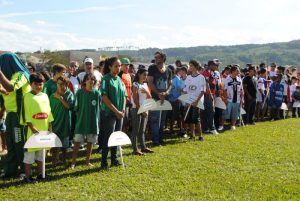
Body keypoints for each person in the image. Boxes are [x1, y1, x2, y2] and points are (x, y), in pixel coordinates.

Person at [0, 52, 31, 178]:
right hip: (10, 115)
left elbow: (10, 88)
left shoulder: (21, 75)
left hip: (20, 116)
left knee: (19, 143)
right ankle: (10, 170)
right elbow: (4, 93)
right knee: (11, 143)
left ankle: (25, 170)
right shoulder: (6, 77)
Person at [20, 73, 53, 182]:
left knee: (41, 154)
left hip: (43, 131)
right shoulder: (27, 97)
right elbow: (26, 115)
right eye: (36, 84)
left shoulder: (45, 96)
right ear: (31, 84)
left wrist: (49, 126)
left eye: (41, 84)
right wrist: (32, 127)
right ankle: (27, 177)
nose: (39, 86)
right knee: (29, 156)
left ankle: (41, 174)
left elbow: (48, 112)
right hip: (31, 132)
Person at [100, 57, 127, 170]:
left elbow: (125, 96)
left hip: (119, 114)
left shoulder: (120, 80)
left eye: (119, 66)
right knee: (108, 138)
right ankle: (104, 162)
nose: (118, 68)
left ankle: (114, 160)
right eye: (116, 66)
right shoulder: (105, 79)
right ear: (110, 66)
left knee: (116, 137)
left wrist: (123, 110)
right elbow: (104, 98)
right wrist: (116, 111)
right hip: (109, 114)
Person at [71, 73, 101, 168]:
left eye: (92, 79)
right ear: (84, 81)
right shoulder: (79, 93)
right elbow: (76, 109)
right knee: (76, 143)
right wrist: (81, 119)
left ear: (95, 81)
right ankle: (73, 162)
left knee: (90, 143)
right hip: (81, 123)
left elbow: (99, 108)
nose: (91, 81)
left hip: (93, 123)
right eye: (88, 79)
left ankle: (87, 161)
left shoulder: (97, 93)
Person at [147, 52, 172, 146]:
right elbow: (150, 82)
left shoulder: (169, 70)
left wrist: (166, 92)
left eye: (158, 57)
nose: (156, 59)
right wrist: (158, 93)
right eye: (155, 57)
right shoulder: (152, 68)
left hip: (165, 98)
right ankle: (155, 141)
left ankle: (160, 139)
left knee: (162, 120)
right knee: (155, 119)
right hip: (155, 97)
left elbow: (170, 84)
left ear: (163, 58)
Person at [49, 76, 74, 165]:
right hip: (55, 124)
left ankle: (63, 160)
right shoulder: (52, 96)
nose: (62, 86)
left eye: (65, 84)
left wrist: (60, 98)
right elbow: (49, 110)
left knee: (64, 145)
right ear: (57, 84)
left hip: (65, 124)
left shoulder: (69, 94)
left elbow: (69, 106)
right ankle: (54, 161)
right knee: (55, 145)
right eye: (60, 84)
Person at [131, 68, 154, 155]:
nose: (145, 76)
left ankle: (143, 147)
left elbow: (150, 97)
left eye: (146, 75)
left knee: (142, 130)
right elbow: (135, 98)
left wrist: (147, 93)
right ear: (139, 74)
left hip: (145, 109)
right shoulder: (135, 84)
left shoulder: (145, 84)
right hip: (137, 109)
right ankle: (135, 149)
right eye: (144, 74)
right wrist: (141, 109)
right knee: (136, 130)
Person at [182, 60, 206, 140]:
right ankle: (192, 135)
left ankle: (200, 135)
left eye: (191, 65)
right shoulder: (188, 77)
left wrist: (196, 101)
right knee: (190, 119)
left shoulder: (201, 77)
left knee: (196, 119)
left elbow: (203, 91)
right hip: (189, 101)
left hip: (197, 102)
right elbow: (185, 90)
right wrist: (187, 100)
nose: (190, 67)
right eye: (189, 65)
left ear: (195, 67)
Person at [221, 66, 244, 130]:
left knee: (235, 113)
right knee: (225, 113)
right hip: (229, 99)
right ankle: (222, 125)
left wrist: (242, 99)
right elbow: (225, 90)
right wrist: (225, 99)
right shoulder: (227, 79)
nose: (238, 72)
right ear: (233, 71)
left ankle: (233, 125)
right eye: (237, 70)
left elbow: (242, 90)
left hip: (237, 100)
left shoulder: (239, 79)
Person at [202, 59, 220, 134]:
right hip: (207, 95)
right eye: (215, 65)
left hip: (211, 94)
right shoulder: (207, 72)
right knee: (210, 111)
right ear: (211, 65)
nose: (216, 66)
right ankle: (212, 128)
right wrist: (210, 94)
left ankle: (206, 128)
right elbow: (206, 83)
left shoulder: (212, 72)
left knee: (208, 111)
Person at [168, 67, 185, 135]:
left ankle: (181, 129)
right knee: (171, 115)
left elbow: (179, 89)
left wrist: (179, 98)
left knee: (178, 115)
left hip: (176, 100)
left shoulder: (177, 79)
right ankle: (171, 130)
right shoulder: (169, 79)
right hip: (170, 99)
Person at [118, 58, 132, 133]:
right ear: (121, 66)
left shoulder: (128, 75)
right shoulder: (120, 75)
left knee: (127, 120)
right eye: (125, 65)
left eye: (128, 65)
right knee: (123, 119)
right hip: (122, 101)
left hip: (129, 101)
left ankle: (125, 134)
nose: (127, 67)